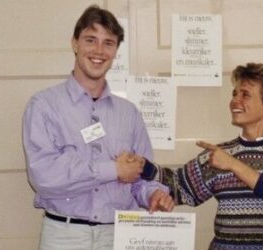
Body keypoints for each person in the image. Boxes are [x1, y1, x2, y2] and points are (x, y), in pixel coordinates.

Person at [22, 5, 173, 250]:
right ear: (75, 43)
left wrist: (153, 195)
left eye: (108, 43)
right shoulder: (43, 106)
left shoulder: (130, 114)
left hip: (120, 236)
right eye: (90, 40)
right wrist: (114, 169)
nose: (99, 51)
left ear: (116, 51)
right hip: (64, 236)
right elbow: (44, 176)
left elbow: (141, 176)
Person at [125, 62, 263, 249]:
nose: (235, 100)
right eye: (234, 94)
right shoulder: (218, 154)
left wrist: (234, 165)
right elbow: (180, 187)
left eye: (245, 95)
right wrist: (143, 166)